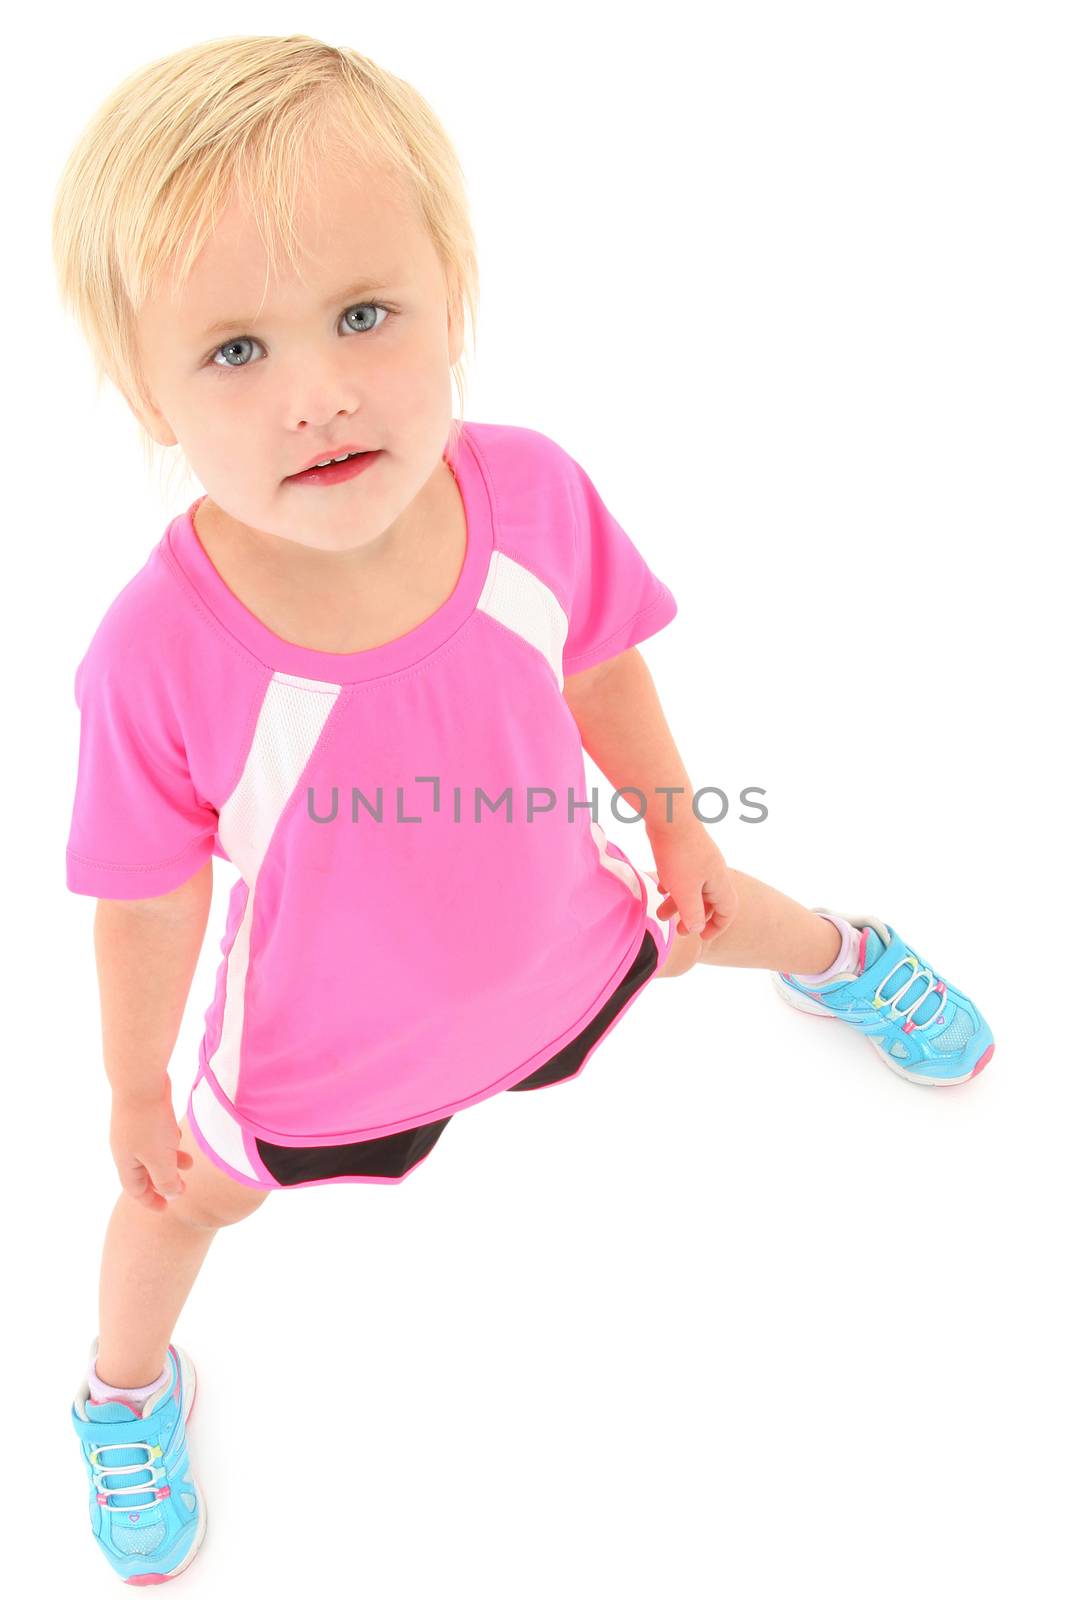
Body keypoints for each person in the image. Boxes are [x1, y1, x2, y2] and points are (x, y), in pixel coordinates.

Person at [53, 34, 994, 1584]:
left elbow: (602, 664)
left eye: (364, 316)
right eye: (236, 353)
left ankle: (844, 955)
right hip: (314, 1062)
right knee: (166, 1212)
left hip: (572, 932)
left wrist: (678, 827)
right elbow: (145, 897)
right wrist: (138, 1087)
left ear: (450, 304)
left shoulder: (531, 496)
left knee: (720, 909)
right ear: (149, 399)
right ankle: (124, 1388)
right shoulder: (156, 658)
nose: (320, 395)